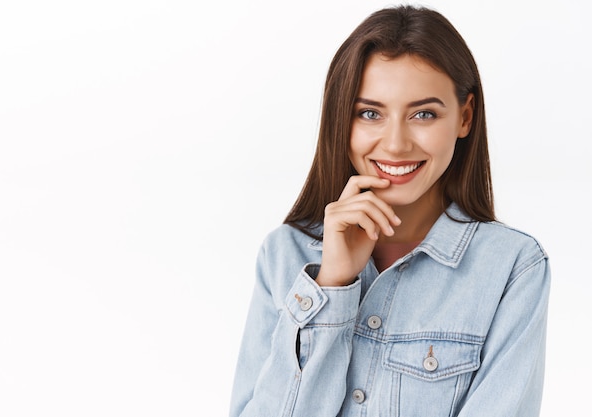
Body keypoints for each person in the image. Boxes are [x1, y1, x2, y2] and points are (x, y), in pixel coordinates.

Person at [230, 5, 550, 417]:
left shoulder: (512, 267)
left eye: (423, 114)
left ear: (465, 117)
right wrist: (331, 284)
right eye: (369, 113)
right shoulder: (284, 254)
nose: (396, 144)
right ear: (340, 119)